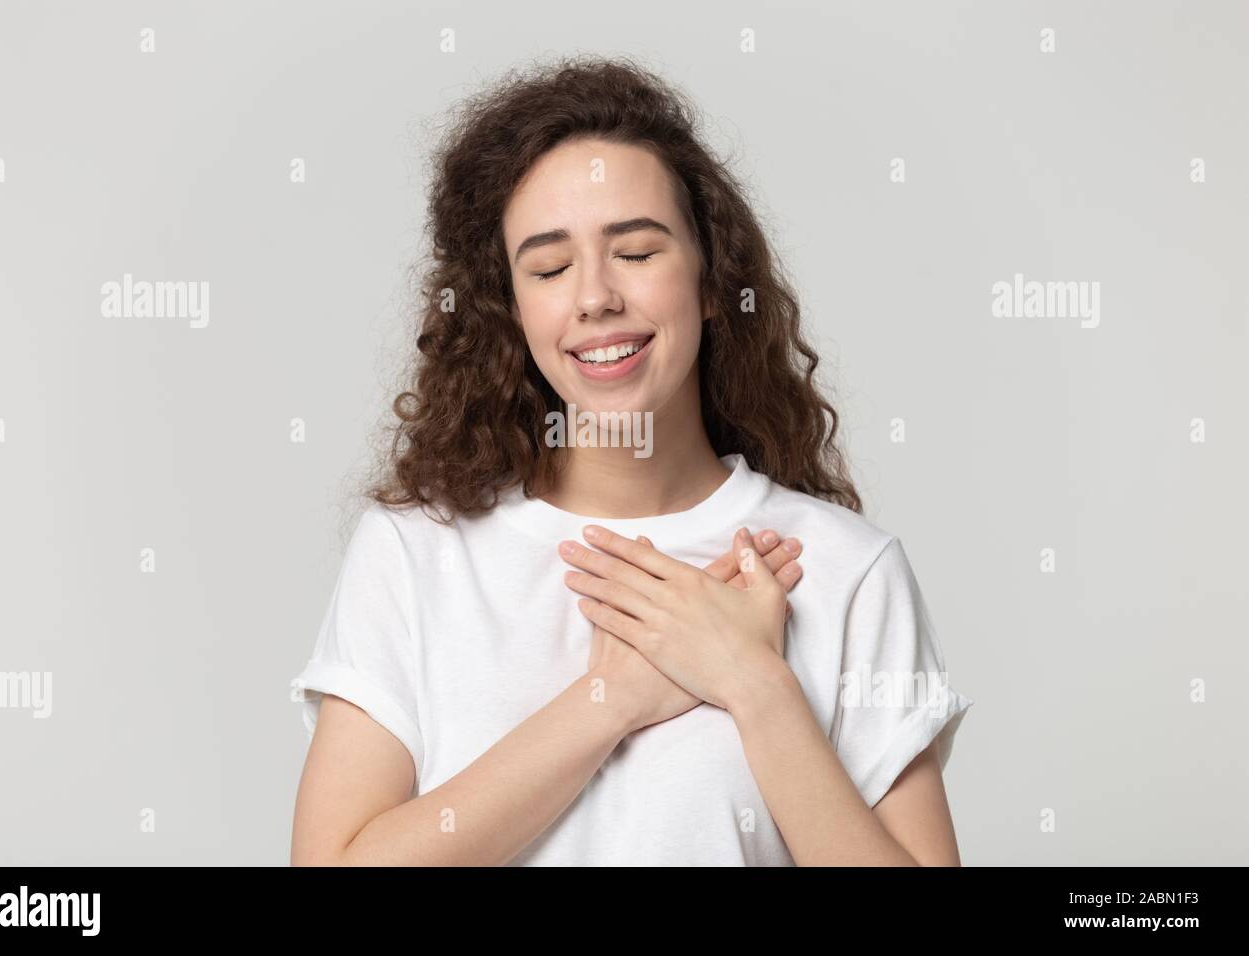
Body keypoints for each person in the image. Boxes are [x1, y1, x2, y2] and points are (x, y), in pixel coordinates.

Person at [289, 55, 972, 866]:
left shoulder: (847, 572)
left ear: (713, 280)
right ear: (512, 310)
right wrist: (613, 701)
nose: (595, 297)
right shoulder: (416, 553)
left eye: (638, 253)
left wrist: (753, 682)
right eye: (548, 267)